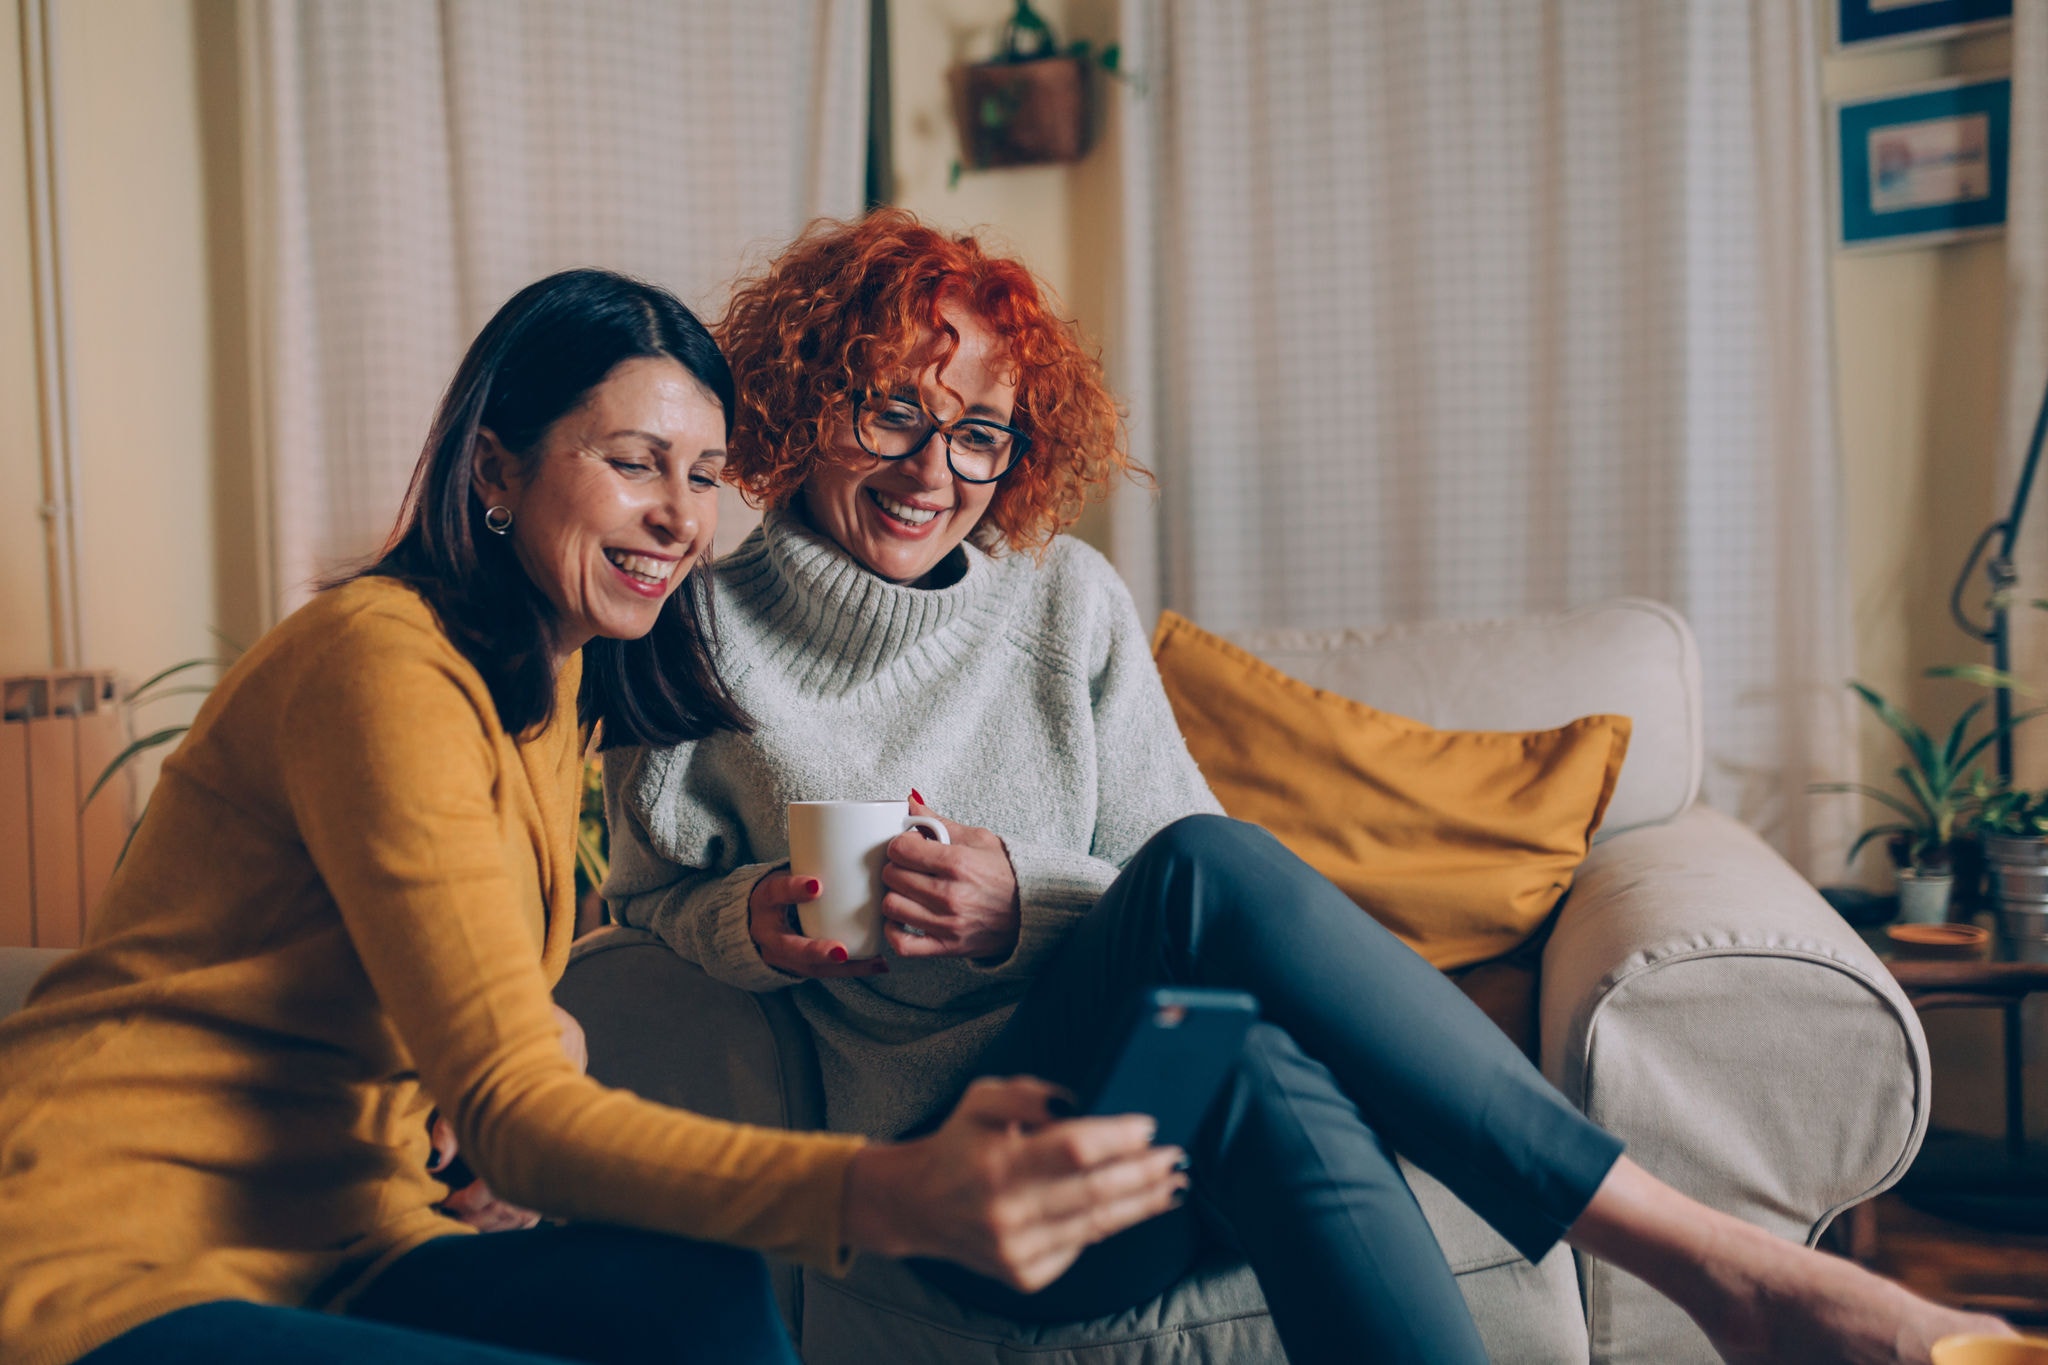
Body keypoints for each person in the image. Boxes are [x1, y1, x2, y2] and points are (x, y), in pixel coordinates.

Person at [603, 212, 2013, 1365]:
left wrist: (1018, 904)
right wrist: (766, 922)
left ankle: (1733, 1278)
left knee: (1226, 969)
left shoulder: (1064, 607)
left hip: (1152, 1114)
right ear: (805, 392)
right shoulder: (695, 629)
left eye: (981, 433)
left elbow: (1175, 883)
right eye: (895, 411)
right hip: (967, 1179)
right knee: (1234, 963)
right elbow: (652, 893)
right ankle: (1726, 1270)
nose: (937, 470)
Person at [0, 269, 1189, 1365]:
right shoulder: (380, 666)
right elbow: (519, 1112)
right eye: (634, 462)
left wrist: (519, 1060)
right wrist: (887, 1191)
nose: (680, 518)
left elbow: (483, 1003)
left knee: (708, 1305)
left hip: (350, 1238)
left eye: (705, 475)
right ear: (495, 470)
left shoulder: (553, 690)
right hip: (115, 1246)